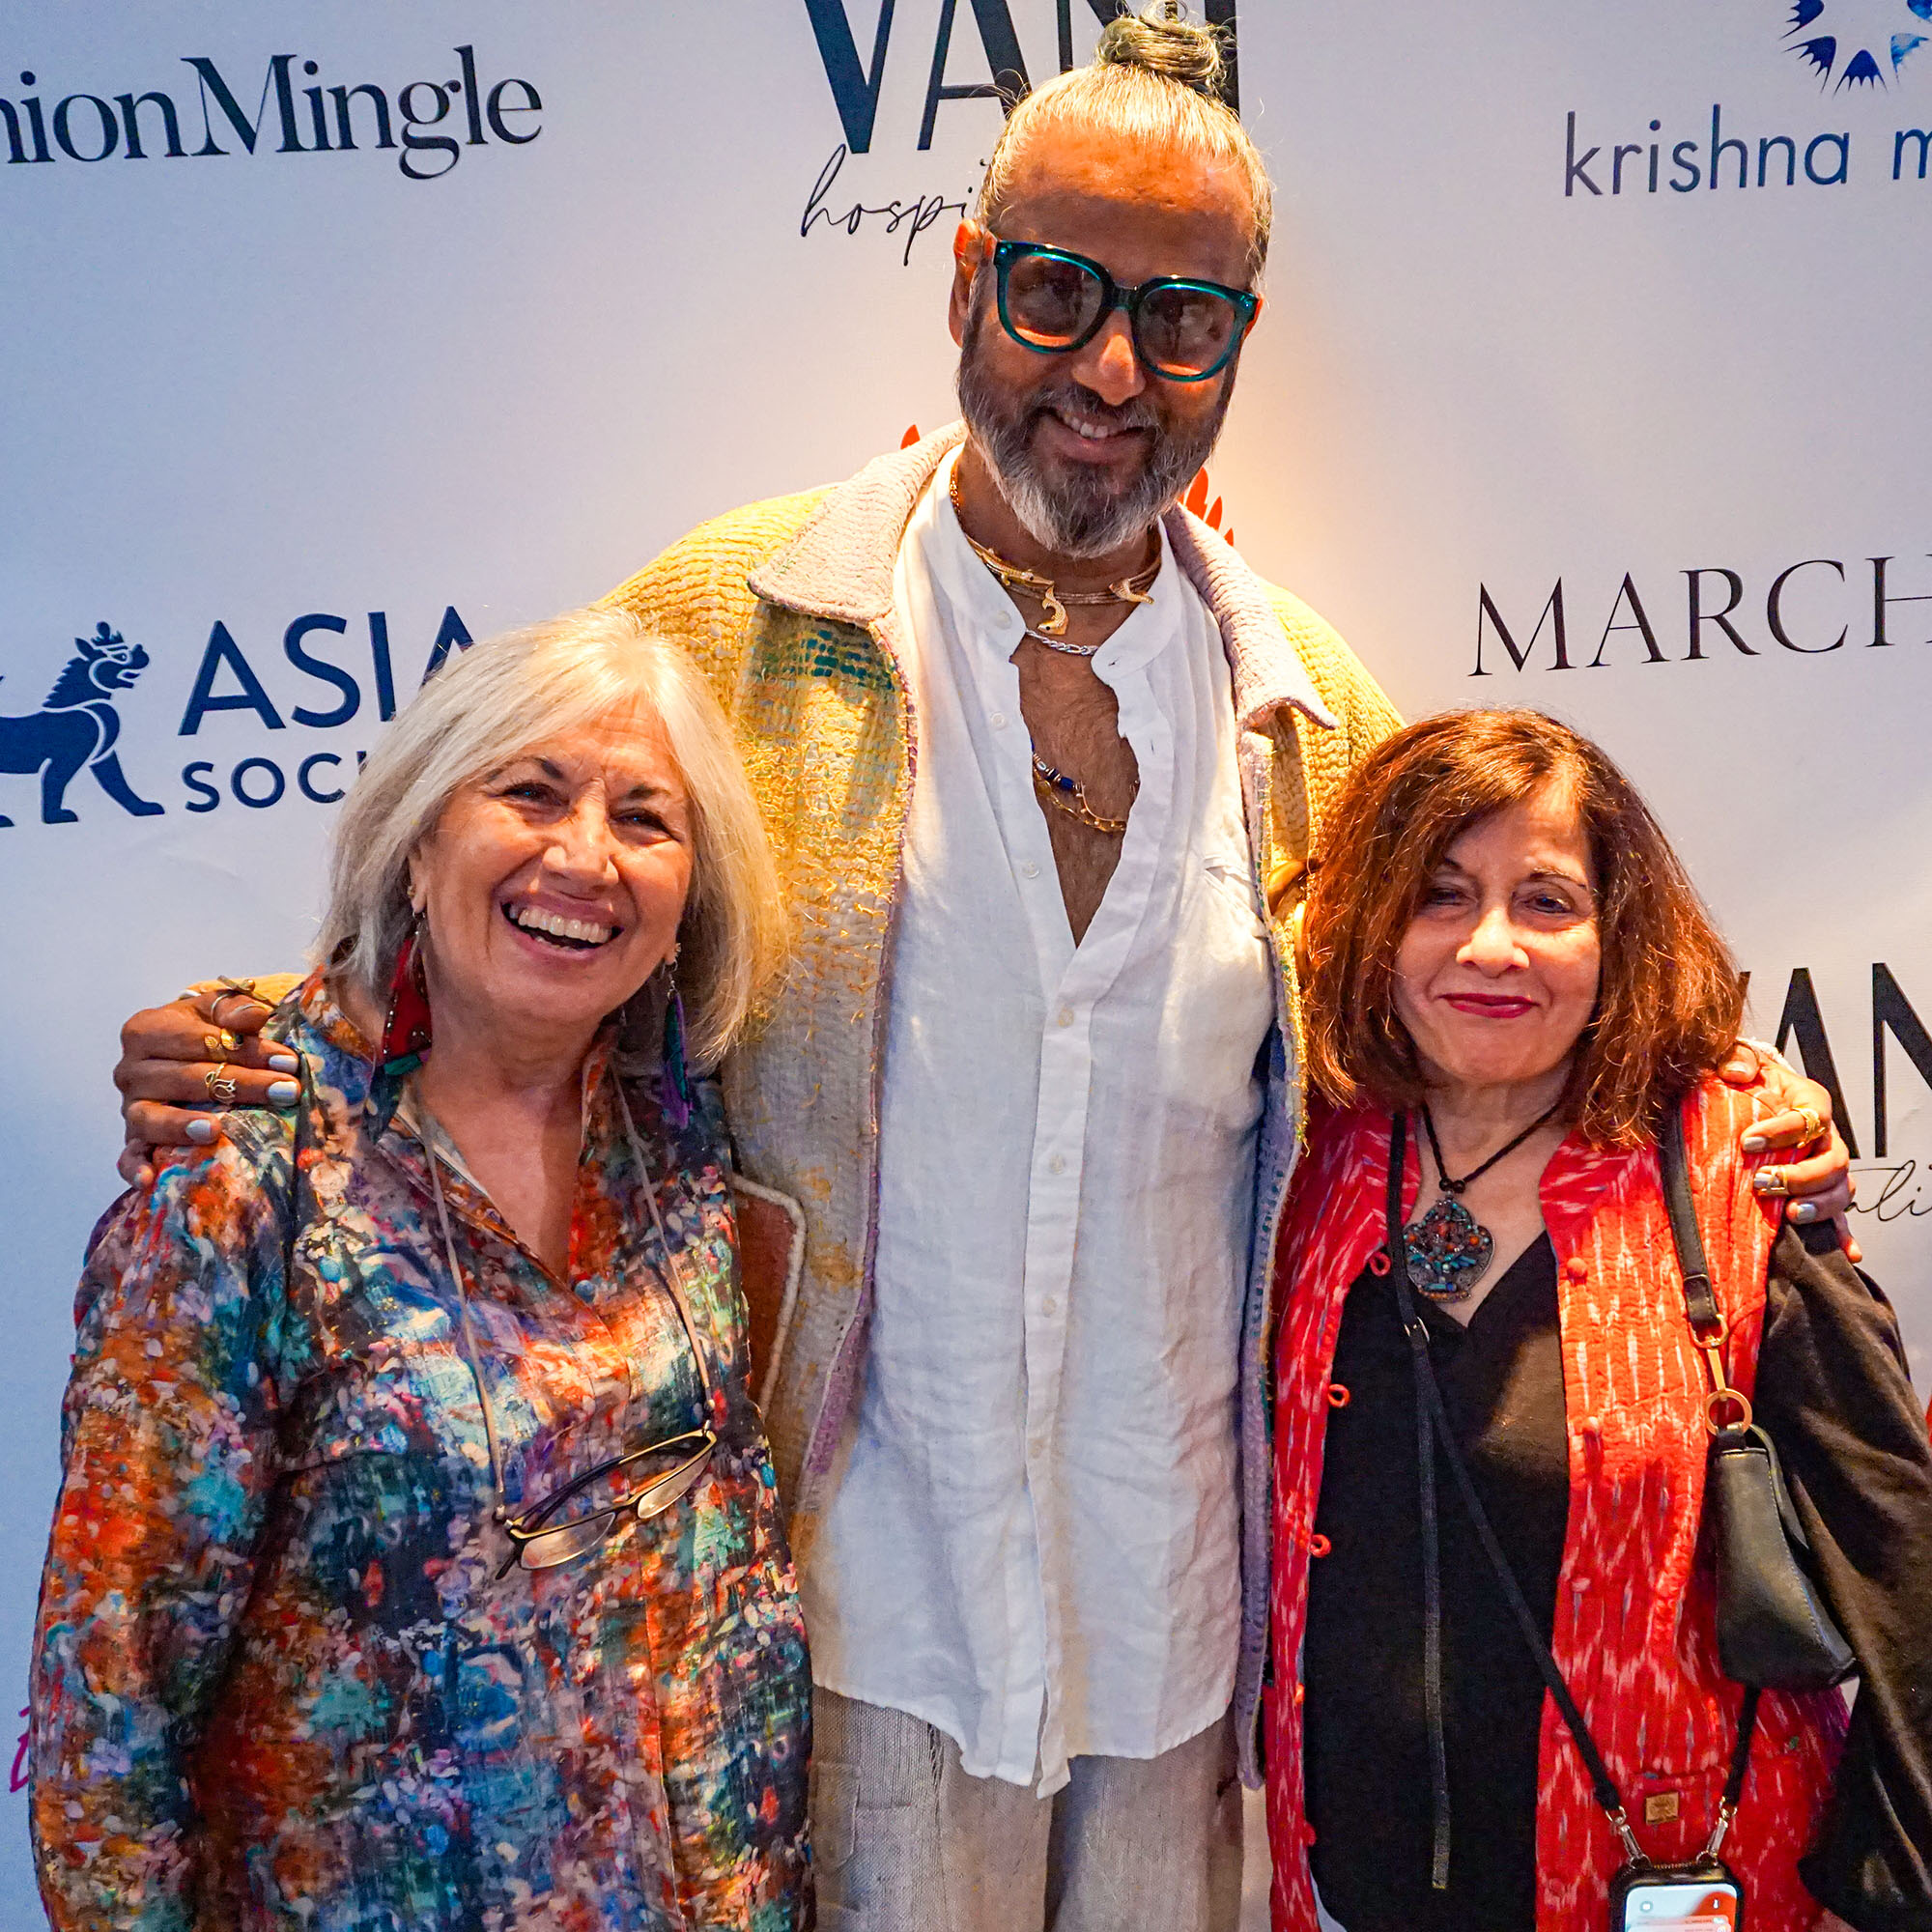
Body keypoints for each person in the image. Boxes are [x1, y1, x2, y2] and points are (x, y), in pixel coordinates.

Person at [103, 13, 1851, 1928]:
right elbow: (527, 878)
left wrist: (1725, 1104)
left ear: (1235, 345)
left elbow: (1473, 1010)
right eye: (1055, 293)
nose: (1109, 369)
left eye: (1180, 321)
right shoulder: (741, 617)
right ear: (965, 283)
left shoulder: (1307, 712)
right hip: (848, 1635)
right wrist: (304, 1037)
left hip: (1189, 1649)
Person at [32, 610, 811, 1930]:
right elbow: (117, 1681)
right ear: (419, 835)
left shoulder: (681, 1126)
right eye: (531, 792)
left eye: (644, 819)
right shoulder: (247, 1146)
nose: (584, 859)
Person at [1265, 710, 1932, 1932]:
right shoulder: (1302, 1155)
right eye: (1438, 894)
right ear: (1368, 925)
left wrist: (1882, 1888)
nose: (1490, 946)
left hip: (1677, 1875)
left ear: (1615, 932)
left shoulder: (1733, 1162)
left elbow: (1896, 1552)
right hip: (1338, 1886)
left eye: (1546, 901)